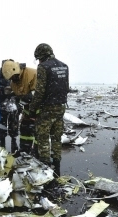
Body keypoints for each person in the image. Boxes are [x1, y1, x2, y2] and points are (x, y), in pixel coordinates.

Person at [29, 43, 69, 177]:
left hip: (47, 108)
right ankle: (57, 166)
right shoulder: (64, 66)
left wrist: (32, 109)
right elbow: (65, 87)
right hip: (61, 106)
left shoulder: (43, 67)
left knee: (43, 137)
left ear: (41, 56)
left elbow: (40, 91)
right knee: (57, 137)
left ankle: (46, 168)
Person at [1, 59, 37, 155]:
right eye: (11, 78)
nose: (13, 79)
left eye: (14, 77)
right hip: (28, 109)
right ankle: (25, 150)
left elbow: (36, 94)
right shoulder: (13, 82)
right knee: (25, 128)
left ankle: (38, 152)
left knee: (38, 131)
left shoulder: (32, 74)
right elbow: (18, 93)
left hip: (39, 109)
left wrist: (24, 98)